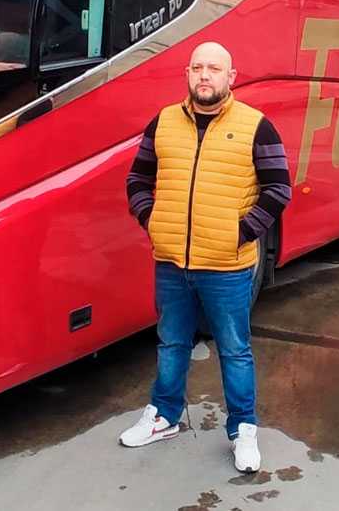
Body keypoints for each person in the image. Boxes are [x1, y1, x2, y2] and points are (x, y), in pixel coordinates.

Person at [119, 41, 292, 474]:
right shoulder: (162, 124)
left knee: (234, 350)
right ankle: (163, 415)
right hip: (172, 262)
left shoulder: (257, 126)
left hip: (228, 268)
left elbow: (278, 190)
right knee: (171, 342)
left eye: (214, 68)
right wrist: (152, 219)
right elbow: (138, 177)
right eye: (197, 67)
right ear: (188, 74)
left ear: (231, 77)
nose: (204, 75)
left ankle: (243, 429)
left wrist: (239, 234)